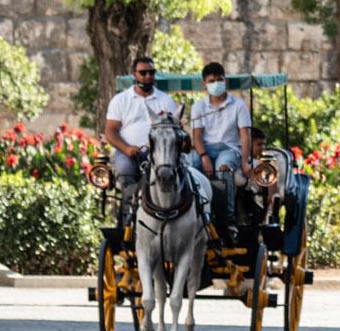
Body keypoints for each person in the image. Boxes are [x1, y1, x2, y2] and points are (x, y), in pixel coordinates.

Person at [188, 61, 253, 226]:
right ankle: (194, 216)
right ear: (205, 84)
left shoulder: (238, 105)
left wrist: (245, 162)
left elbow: (245, 136)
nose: (216, 84)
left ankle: (227, 220)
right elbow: (197, 136)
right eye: (211, 81)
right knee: (190, 165)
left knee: (223, 168)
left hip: (230, 149)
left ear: (226, 81)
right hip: (205, 149)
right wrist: (203, 156)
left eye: (219, 79)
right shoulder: (198, 106)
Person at [104, 55, 181, 189]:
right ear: (135, 74)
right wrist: (127, 149)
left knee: (169, 171)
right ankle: (129, 207)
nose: (147, 76)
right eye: (143, 73)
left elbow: (177, 128)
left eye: (151, 72)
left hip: (159, 153)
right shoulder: (120, 100)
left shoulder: (166, 100)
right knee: (124, 169)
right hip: (126, 153)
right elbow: (110, 132)